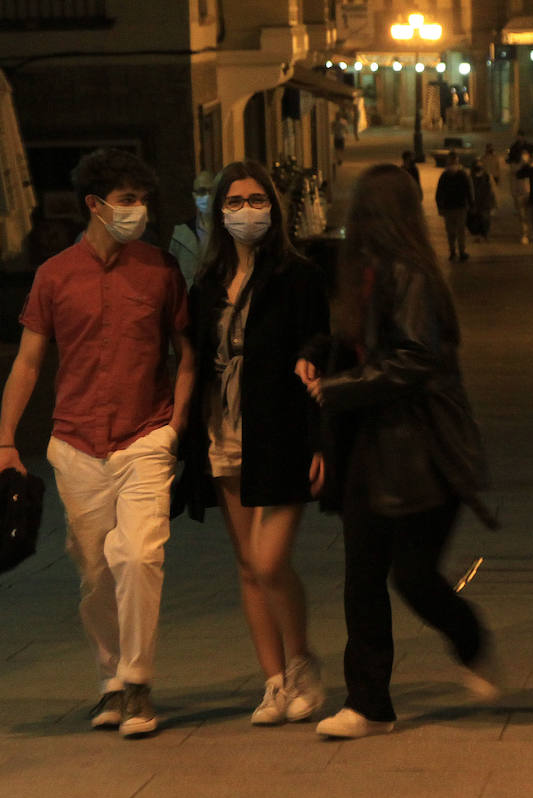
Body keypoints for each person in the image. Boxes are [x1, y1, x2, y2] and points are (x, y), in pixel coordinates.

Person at [0, 148, 195, 739]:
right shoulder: (54, 275)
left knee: (139, 555)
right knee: (95, 569)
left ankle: (137, 684)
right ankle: (109, 679)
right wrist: (5, 441)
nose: (138, 211)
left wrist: (174, 427)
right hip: (76, 442)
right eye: (127, 201)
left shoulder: (161, 270)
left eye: (142, 200)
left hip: (145, 435)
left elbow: (187, 356)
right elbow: (29, 363)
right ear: (94, 205)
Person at [298, 163, 499, 739]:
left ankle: (469, 639)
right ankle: (368, 704)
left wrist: (334, 390)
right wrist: (318, 352)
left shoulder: (411, 274)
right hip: (367, 446)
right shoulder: (359, 271)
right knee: (361, 577)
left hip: (421, 449)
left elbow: (415, 358)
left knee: (412, 574)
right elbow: (348, 339)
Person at [178, 160, 330, 727]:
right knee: (246, 563)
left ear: (274, 205)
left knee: (270, 561)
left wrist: (319, 437)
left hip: (281, 428)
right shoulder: (209, 281)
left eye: (256, 199)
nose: (247, 211)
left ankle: (303, 665)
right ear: (219, 213)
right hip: (225, 429)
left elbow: (321, 340)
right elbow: (195, 356)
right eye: (235, 202)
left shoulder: (298, 274)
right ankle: (272, 682)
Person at [168, 170, 213, 285]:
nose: (208, 196)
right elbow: (173, 276)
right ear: (194, 195)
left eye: (212, 191)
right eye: (202, 191)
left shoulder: (230, 230)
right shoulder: (180, 235)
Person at [434, 151, 474, 262]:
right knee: (452, 231)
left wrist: (470, 204)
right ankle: (454, 251)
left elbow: (468, 191)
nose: (452, 164)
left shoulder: (460, 175)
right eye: (451, 161)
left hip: (458, 207)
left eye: (454, 161)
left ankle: (460, 251)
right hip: (451, 207)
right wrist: (440, 207)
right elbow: (439, 193)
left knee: (459, 231)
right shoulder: (447, 176)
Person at [468, 160, 496, 241]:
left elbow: (493, 190)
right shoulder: (470, 177)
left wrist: (494, 203)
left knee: (485, 219)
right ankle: (478, 236)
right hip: (475, 202)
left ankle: (485, 235)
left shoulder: (488, 177)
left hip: (485, 202)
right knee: (476, 220)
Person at [509, 149, 532, 244]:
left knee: (531, 215)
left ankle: (532, 233)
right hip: (520, 194)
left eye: (526, 155)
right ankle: (525, 234)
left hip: (531, 194)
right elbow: (513, 182)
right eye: (523, 155)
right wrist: (514, 193)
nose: (525, 157)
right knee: (522, 216)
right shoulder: (515, 168)